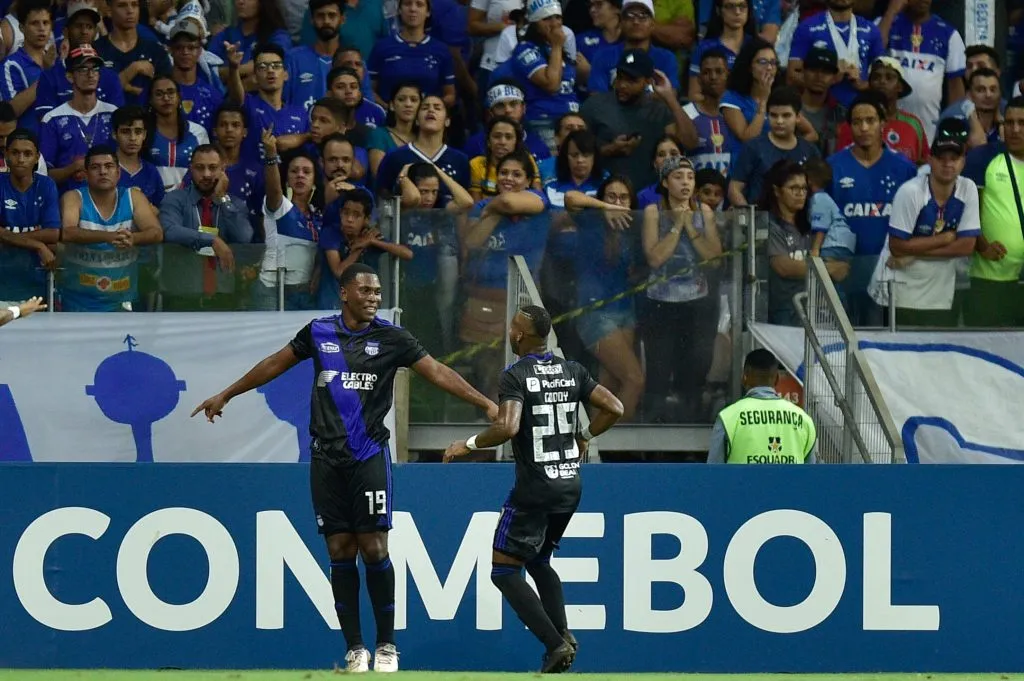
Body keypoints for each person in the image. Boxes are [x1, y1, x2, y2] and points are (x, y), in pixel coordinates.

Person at [193, 263, 499, 674]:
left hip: (368, 455)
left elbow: (438, 372)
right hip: (325, 458)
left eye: (377, 292)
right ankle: (355, 648)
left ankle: (387, 645)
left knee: (374, 548)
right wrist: (228, 393)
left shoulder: (392, 338)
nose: (374, 298)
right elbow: (274, 363)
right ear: (344, 293)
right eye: (366, 291)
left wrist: (485, 403)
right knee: (339, 550)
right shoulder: (318, 332)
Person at [442, 305, 624, 673]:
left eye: (513, 326)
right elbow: (614, 407)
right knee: (539, 560)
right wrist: (584, 435)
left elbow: (508, 427)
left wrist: (468, 444)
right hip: (570, 485)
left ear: (520, 335)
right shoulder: (573, 370)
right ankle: (564, 634)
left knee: (504, 570)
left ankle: (555, 644)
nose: (510, 331)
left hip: (535, 489)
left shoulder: (516, 375)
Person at [867, 118, 979, 327]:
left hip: (939, 292)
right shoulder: (910, 192)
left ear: (963, 162)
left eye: (954, 158)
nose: (947, 163)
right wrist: (945, 239)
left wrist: (913, 252)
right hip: (899, 289)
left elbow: (966, 246)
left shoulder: (968, 189)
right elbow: (897, 246)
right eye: (941, 158)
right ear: (930, 160)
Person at [641, 155, 721, 422]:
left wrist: (690, 226)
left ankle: (691, 423)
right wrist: (677, 224)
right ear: (665, 182)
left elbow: (714, 258)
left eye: (690, 177)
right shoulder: (653, 212)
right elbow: (655, 258)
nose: (686, 183)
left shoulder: (704, 212)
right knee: (659, 368)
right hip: (660, 302)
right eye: (678, 177)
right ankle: (654, 429)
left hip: (697, 302)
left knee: (695, 367)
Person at [827, 91, 917, 326]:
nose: (864, 128)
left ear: (883, 123)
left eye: (870, 120)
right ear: (850, 126)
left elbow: (916, 220)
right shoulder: (833, 167)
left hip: (891, 273)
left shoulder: (905, 169)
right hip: (845, 274)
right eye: (857, 122)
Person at [565, 175, 644, 419]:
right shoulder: (590, 220)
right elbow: (570, 198)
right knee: (634, 379)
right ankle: (614, 439)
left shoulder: (631, 228)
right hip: (595, 312)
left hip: (625, 311)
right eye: (611, 196)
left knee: (611, 383)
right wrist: (604, 208)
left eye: (623, 198)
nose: (617, 203)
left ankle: (598, 438)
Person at [58, 144, 163, 312]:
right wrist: (109, 237)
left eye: (109, 166)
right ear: (86, 174)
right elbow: (68, 232)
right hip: (78, 300)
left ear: (118, 173)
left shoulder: (133, 197)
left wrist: (134, 238)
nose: (103, 172)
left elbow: (156, 233)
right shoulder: (73, 197)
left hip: (122, 300)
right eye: (95, 167)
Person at [581, 48, 697, 190]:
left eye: (631, 80)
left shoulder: (659, 110)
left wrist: (669, 97)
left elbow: (690, 143)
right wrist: (610, 149)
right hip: (606, 193)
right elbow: (575, 153)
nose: (622, 85)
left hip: (650, 194)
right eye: (620, 77)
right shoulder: (594, 106)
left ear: (648, 81)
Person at [160, 144, 254, 310]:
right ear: (191, 169)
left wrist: (222, 199)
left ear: (222, 170)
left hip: (223, 297)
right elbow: (169, 230)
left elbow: (244, 236)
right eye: (199, 168)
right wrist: (212, 240)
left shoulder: (234, 204)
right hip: (181, 298)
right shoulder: (175, 199)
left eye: (212, 168)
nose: (206, 174)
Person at [763, 159, 848, 325]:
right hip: (783, 312)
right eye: (794, 188)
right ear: (777, 191)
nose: (801, 193)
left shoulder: (813, 222)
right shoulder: (768, 225)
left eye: (804, 188)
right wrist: (828, 269)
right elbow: (783, 267)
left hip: (817, 308)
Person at [966, 96, 1024, 327]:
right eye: (1009, 122)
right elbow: (968, 212)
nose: (1015, 129)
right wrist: (982, 246)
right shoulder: (983, 158)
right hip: (989, 279)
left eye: (1022, 123)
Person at [877, 0, 966, 142]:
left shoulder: (949, 34)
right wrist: (892, 11)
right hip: (884, 130)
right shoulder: (885, 24)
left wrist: (952, 129)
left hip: (929, 132)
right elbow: (873, 51)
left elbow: (956, 88)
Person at [707, 348, 816, 464]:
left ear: (744, 377)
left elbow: (713, 470)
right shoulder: (804, 420)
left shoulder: (728, 418)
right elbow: (811, 472)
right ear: (777, 379)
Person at [39, 45, 118, 193]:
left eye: (95, 69)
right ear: (70, 76)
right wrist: (73, 168)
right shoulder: (52, 119)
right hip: (68, 197)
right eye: (83, 69)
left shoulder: (114, 113)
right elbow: (44, 175)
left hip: (110, 197)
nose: (90, 74)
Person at [728, 86, 820, 207]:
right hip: (761, 217)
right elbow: (734, 189)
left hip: (801, 217)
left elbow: (818, 192)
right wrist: (749, 213)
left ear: (798, 117)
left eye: (786, 115)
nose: (779, 121)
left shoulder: (810, 151)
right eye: (774, 115)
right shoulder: (753, 147)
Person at [35, 1, 124, 123]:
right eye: (78, 26)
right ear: (66, 31)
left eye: (89, 27)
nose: (84, 31)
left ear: (95, 32)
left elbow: (118, 121)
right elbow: (46, 121)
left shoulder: (110, 77)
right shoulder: (50, 76)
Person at [786, 0, 884, 108]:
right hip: (821, 108)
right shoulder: (807, 27)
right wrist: (827, 79)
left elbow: (883, 79)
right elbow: (792, 75)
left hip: (861, 109)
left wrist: (863, 85)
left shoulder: (871, 30)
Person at [0, 129, 59, 306]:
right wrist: (38, 244)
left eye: (27, 154)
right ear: (6, 155)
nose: (21, 159)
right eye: (15, 153)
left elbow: (53, 233)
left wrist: (7, 238)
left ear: (37, 157)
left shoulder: (46, 185)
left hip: (37, 284)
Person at [226, 43, 311, 163]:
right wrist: (234, 68)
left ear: (286, 75)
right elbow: (236, 95)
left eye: (276, 66)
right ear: (255, 77)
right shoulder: (247, 104)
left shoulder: (300, 113)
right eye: (262, 67)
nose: (270, 70)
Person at [835, 57, 928, 165]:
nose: (882, 81)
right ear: (869, 85)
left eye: (889, 77)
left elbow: (925, 164)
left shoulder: (914, 123)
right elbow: (841, 165)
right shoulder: (853, 124)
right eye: (876, 77)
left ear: (900, 87)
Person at [368, 0, 456, 109]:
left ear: (428, 12)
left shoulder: (441, 49)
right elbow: (369, 90)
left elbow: (450, 95)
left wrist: (430, 108)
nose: (413, 9)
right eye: (407, 4)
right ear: (399, 10)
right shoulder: (382, 47)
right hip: (389, 116)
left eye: (419, 4)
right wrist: (389, 109)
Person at [587, 0, 680, 94]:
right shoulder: (603, 56)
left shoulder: (666, 58)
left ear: (652, 24)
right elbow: (597, 98)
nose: (636, 22)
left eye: (643, 16)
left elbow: (669, 97)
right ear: (621, 23)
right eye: (630, 16)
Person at [93, 0, 172, 106]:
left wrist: (131, 89)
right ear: (109, 11)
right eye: (122, 5)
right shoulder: (95, 51)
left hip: (146, 115)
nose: (130, 11)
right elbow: (96, 93)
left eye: (134, 5)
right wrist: (132, 70)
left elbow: (167, 94)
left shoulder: (156, 51)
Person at [146, 74, 210, 191]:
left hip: (189, 199)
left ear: (179, 97)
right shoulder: (143, 132)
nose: (166, 98)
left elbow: (206, 171)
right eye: (159, 94)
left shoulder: (198, 132)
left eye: (171, 92)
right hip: (149, 199)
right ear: (150, 100)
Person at [0, 0, 53, 133]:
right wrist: (48, 73)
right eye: (35, 23)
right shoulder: (11, 65)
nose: (41, 28)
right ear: (22, 28)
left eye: (45, 23)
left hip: (57, 140)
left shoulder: (57, 61)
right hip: (26, 140)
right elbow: (10, 111)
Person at [682, 49, 735, 177]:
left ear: (728, 75)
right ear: (699, 78)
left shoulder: (738, 114)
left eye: (719, 71)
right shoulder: (686, 113)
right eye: (706, 72)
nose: (713, 77)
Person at [687, 0, 753, 101]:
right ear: (719, 10)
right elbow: (694, 94)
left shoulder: (757, 47)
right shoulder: (704, 48)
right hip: (715, 108)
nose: (737, 12)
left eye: (742, 6)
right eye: (730, 6)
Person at [285, 0, 344, 112]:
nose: (326, 21)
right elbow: (281, 103)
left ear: (342, 19)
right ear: (312, 20)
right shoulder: (293, 59)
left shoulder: (353, 60)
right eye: (320, 16)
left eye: (332, 15)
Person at [167, 21, 223, 131]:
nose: (185, 52)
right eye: (179, 47)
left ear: (200, 51)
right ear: (171, 50)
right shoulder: (158, 92)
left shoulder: (213, 96)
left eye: (191, 47)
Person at [469, 116, 541, 199]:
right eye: (497, 136)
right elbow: (477, 203)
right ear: (488, 141)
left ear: (516, 142)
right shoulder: (477, 163)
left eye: (508, 137)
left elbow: (538, 196)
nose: (502, 142)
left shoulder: (527, 159)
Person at [720, 38, 777, 142]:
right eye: (762, 62)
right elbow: (747, 139)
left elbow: (808, 132)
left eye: (773, 62)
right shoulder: (731, 98)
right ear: (749, 66)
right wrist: (763, 102)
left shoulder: (780, 96)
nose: (769, 67)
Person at [111, 105, 164, 207]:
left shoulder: (151, 171)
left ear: (144, 135)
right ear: (114, 134)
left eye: (138, 132)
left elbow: (162, 209)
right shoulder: (103, 169)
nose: (132, 138)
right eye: (125, 132)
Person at [799, 46, 847, 158]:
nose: (819, 76)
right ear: (803, 72)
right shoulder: (787, 107)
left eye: (826, 72)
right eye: (813, 69)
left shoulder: (841, 114)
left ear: (834, 78)